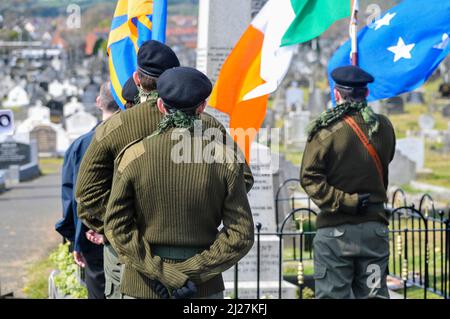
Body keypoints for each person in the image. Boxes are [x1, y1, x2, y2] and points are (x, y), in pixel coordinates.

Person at [75, 40, 254, 299]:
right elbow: (242, 179)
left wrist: (127, 233)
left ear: (137, 78)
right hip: (202, 270)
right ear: (201, 105)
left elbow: (88, 196)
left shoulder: (117, 130)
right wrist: (205, 210)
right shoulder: (212, 130)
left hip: (135, 266)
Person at [300, 65, 396, 299]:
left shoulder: (327, 130)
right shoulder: (383, 127)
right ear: (365, 94)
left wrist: (347, 201)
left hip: (336, 233)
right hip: (375, 231)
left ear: (337, 94)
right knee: (374, 295)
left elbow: (309, 177)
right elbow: (387, 159)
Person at [55, 83, 120, 299]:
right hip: (128, 235)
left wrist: (76, 241)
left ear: (98, 102)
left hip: (92, 235)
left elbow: (73, 197)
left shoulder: (81, 145)